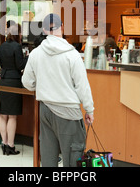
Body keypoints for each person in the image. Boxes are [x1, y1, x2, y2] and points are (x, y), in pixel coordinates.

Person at [22, 13, 94, 167]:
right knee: (73, 159)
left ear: (44, 30)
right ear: (62, 27)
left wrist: (41, 86)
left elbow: (27, 82)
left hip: (45, 109)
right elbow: (82, 86)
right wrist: (89, 109)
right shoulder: (72, 54)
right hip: (68, 112)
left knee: (48, 157)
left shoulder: (36, 53)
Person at [0, 22, 27, 155]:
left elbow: (1, 63)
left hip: (3, 80)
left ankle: (4, 143)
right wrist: (27, 58)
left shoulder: (3, 45)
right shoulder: (17, 46)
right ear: (18, 33)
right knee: (12, 116)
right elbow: (20, 65)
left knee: (3, 114)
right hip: (14, 80)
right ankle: (11, 145)